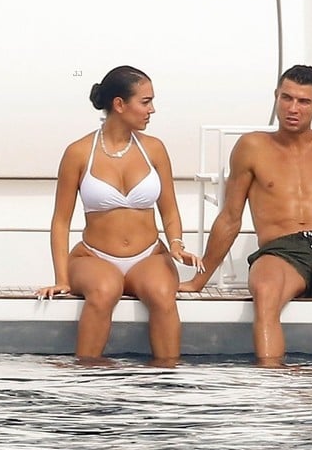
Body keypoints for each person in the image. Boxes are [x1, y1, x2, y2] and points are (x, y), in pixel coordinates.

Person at [179, 64, 312, 365]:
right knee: (265, 293)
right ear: (276, 97)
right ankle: (273, 383)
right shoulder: (252, 146)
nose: (293, 108)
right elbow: (230, 217)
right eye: (287, 98)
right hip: (280, 252)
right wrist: (199, 280)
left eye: (303, 101)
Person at [37, 65, 204, 362]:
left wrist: (176, 245)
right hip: (94, 256)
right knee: (104, 290)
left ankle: (167, 378)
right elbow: (60, 222)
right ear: (119, 104)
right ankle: (87, 375)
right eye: (145, 102)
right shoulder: (78, 152)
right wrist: (62, 279)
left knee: (162, 293)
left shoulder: (155, 149)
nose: (152, 110)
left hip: (149, 254)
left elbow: (169, 211)